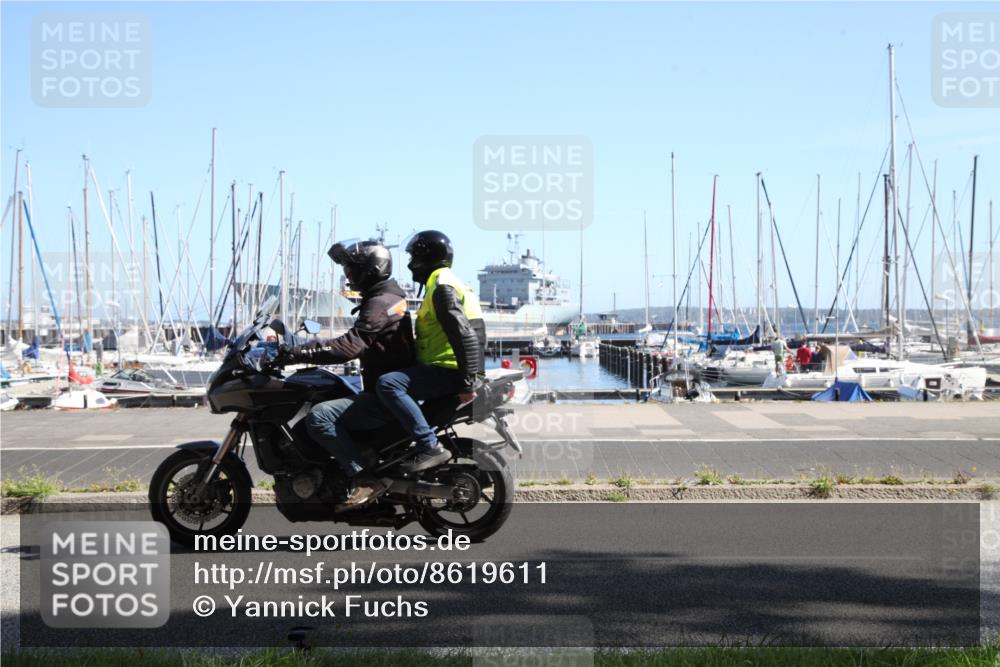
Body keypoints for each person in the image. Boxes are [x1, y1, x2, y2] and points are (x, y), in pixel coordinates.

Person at [283, 238, 414, 509]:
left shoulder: (379, 303)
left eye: (352, 269)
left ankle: (363, 478)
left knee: (319, 417)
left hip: (386, 399)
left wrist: (295, 353)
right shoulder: (387, 297)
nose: (348, 275)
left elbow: (348, 346)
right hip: (389, 391)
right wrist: (299, 345)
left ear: (371, 269)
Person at [375, 230, 486, 473]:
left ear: (426, 258)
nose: (410, 264)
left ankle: (429, 446)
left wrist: (468, 382)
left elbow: (464, 334)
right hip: (450, 368)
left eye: (413, 257)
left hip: (449, 370)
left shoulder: (441, 286)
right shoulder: (447, 282)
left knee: (389, 384)